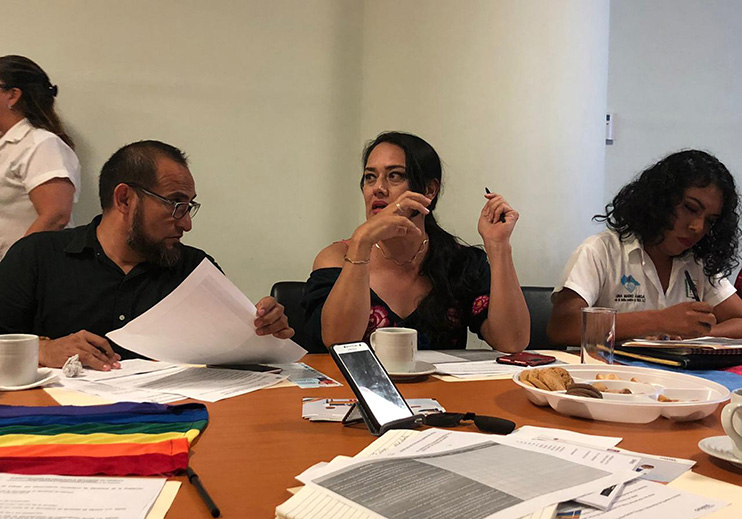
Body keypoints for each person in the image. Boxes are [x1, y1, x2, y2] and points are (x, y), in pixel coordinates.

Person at [0, 140, 293, 370]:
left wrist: (264, 331)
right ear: (125, 199)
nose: (186, 223)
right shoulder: (37, 256)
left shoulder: (193, 269)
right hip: (59, 419)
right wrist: (43, 350)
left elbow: (235, 357)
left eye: (189, 207)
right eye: (175, 204)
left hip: (176, 417)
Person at [304, 131, 530, 352]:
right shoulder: (337, 257)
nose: (378, 189)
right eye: (370, 177)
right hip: (354, 379)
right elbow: (339, 342)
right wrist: (362, 242)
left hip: (439, 380)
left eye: (395, 176)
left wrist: (499, 247)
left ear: (429, 190)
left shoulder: (460, 261)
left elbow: (512, 342)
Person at [548, 150, 742, 345]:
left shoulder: (697, 261)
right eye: (690, 208)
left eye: (710, 221)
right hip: (608, 365)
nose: (698, 227)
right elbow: (562, 327)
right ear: (661, 199)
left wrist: (699, 333)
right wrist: (659, 321)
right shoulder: (601, 250)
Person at [0, 55, 80, 259]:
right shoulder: (9, 145)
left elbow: (56, 215)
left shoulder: (41, 144)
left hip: (30, 271)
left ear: (12, 95)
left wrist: (14, 264)